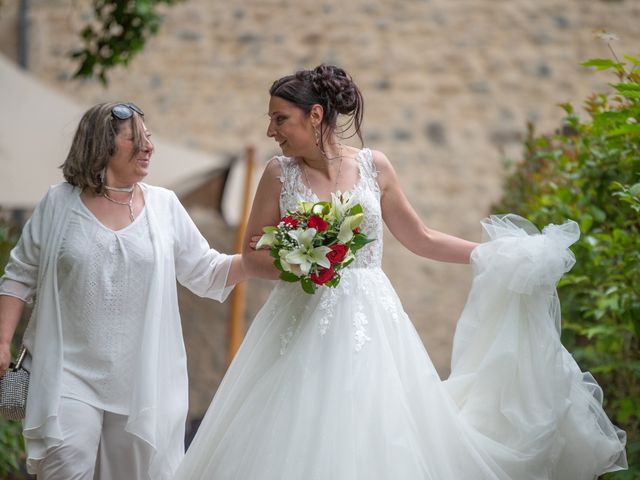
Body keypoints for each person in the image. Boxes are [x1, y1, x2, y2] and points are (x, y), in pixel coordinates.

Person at [173, 65, 627, 479]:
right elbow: (252, 255)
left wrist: (491, 255)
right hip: (299, 319)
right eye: (270, 120)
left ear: (315, 115)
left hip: (374, 321)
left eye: (279, 119)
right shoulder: (278, 174)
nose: (271, 130)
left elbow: (421, 236)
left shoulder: (375, 166)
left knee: (383, 429)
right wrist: (300, 259)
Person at [0, 102, 246, 480]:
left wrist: (261, 260)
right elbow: (19, 276)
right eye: (135, 137)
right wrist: (2, 341)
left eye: (148, 138)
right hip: (67, 374)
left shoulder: (164, 206)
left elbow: (207, 271)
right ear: (101, 145)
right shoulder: (58, 204)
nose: (148, 146)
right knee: (65, 467)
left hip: (141, 382)